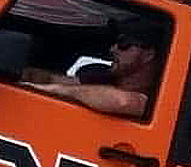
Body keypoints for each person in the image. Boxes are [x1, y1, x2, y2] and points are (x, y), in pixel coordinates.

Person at [21, 17, 164, 118]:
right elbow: (52, 79)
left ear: (148, 55)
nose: (113, 49)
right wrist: (21, 75)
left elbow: (124, 102)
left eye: (123, 43)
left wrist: (57, 90)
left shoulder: (158, 97)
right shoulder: (106, 78)